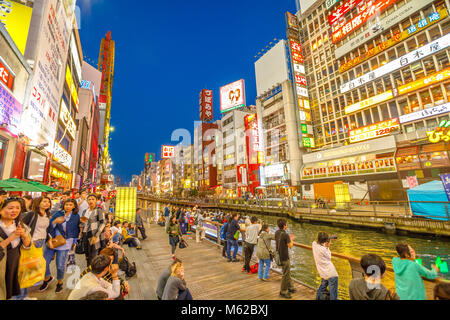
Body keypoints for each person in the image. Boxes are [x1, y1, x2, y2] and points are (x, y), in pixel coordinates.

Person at [40, 198, 81, 293]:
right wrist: (55, 222)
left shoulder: (76, 216)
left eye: (70, 205)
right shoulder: (58, 214)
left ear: (74, 206)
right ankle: (47, 279)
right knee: (44, 262)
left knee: (60, 264)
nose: (68, 206)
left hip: (66, 243)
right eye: (66, 204)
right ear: (63, 205)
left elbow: (76, 230)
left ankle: (59, 282)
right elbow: (49, 226)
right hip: (53, 240)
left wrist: (74, 242)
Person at [17, 196, 51, 299]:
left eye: (48, 202)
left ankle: (24, 294)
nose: (47, 203)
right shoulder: (32, 214)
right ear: (38, 203)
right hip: (31, 244)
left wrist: (48, 239)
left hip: (41, 244)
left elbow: (46, 230)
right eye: (44, 201)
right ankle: (20, 295)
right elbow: (21, 225)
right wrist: (28, 239)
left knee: (34, 268)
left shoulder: (47, 215)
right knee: (25, 270)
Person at [0, 197, 32, 300]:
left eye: (18, 208)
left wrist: (24, 235)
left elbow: (28, 245)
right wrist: (10, 239)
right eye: (10, 208)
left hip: (14, 265)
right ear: (1, 210)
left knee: (9, 292)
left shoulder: (20, 225)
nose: (15, 211)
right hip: (1, 266)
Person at [80, 194, 106, 266]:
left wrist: (96, 235)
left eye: (93, 199)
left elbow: (103, 223)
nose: (91, 201)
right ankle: (89, 270)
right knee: (87, 255)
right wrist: (81, 226)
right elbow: (83, 223)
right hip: (85, 234)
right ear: (87, 201)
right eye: (89, 199)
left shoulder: (98, 210)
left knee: (93, 255)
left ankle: (94, 272)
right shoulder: (85, 211)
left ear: (96, 201)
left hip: (94, 234)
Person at [312, 232, 339, 300]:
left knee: (322, 288)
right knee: (333, 293)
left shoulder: (314, 244)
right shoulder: (324, 249)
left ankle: (317, 298)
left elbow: (317, 242)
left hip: (323, 272)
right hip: (331, 273)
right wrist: (327, 246)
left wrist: (327, 240)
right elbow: (329, 256)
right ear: (325, 242)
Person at [275, 218, 296, 299]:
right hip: (284, 257)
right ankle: (283, 291)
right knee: (285, 274)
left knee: (287, 272)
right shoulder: (285, 234)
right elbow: (290, 246)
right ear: (284, 226)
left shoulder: (277, 232)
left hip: (279, 256)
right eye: (286, 224)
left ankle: (290, 287)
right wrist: (291, 239)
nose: (287, 225)